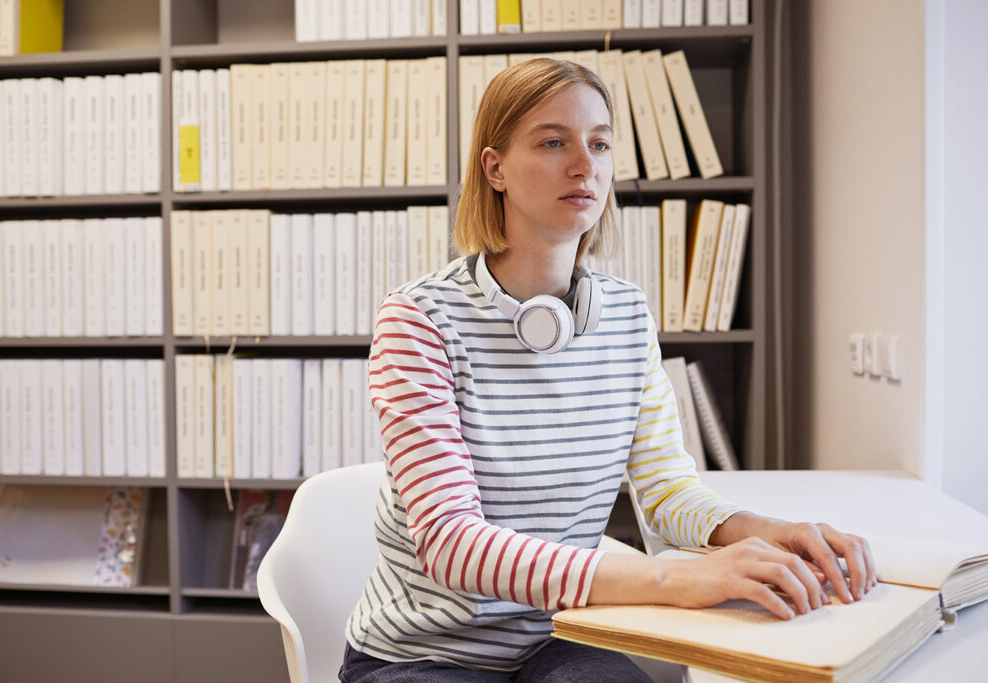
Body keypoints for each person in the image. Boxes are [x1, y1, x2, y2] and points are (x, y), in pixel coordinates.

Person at [340, 58, 875, 683]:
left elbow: (668, 492)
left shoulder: (625, 313)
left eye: (599, 143)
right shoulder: (418, 319)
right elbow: (452, 543)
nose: (584, 165)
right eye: (552, 142)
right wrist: (674, 578)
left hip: (562, 630)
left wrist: (765, 533)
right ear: (495, 169)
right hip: (424, 652)